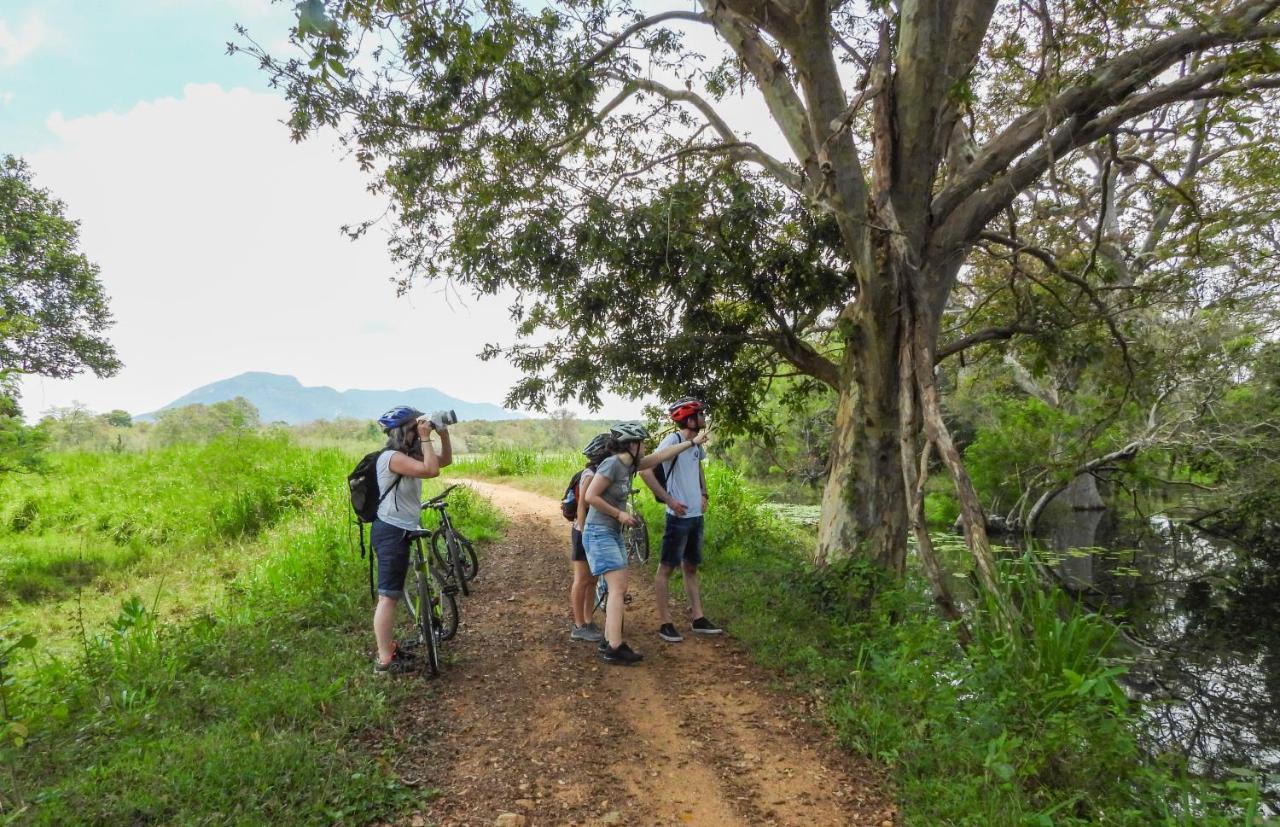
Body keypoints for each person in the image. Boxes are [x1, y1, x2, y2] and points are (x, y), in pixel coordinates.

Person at [583, 421, 708, 665]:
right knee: (618, 588)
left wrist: (691, 443)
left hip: (612, 532)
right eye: (641, 443)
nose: (645, 447)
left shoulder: (632, 465)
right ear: (631, 444)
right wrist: (619, 514)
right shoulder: (612, 464)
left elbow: (661, 456)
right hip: (599, 532)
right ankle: (615, 648)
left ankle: (610, 640)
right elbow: (591, 497)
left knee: (617, 588)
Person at [369, 405, 453, 674]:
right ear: (403, 431)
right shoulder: (391, 457)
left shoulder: (410, 454)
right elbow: (431, 471)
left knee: (396, 590)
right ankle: (384, 660)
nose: (418, 433)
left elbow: (444, 462)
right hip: (390, 530)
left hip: (405, 527)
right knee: (388, 596)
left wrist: (443, 435)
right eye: (414, 429)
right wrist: (427, 437)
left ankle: (391, 649)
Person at [639, 398, 722, 642]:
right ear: (689, 418)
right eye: (700, 414)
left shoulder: (696, 445)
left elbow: (698, 468)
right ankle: (665, 622)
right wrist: (669, 500)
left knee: (691, 567)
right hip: (678, 517)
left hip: (695, 516)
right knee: (666, 568)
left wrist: (704, 493)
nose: (704, 417)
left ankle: (698, 618)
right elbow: (645, 470)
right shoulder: (672, 441)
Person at [569, 433, 611, 643]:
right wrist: (584, 532)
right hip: (583, 532)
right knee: (581, 579)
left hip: (592, 531)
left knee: (592, 580)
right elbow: (582, 505)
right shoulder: (590, 474)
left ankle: (587, 619)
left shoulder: (602, 472)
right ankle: (578, 625)